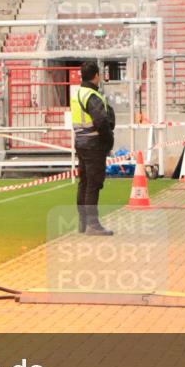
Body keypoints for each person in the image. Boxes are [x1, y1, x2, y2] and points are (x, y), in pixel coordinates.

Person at [70, 60, 116, 236]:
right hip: (93, 144)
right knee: (93, 184)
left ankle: (83, 222)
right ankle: (93, 224)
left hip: (81, 142)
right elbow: (102, 121)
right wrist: (108, 141)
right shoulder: (91, 95)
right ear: (96, 75)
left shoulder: (77, 93)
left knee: (84, 182)